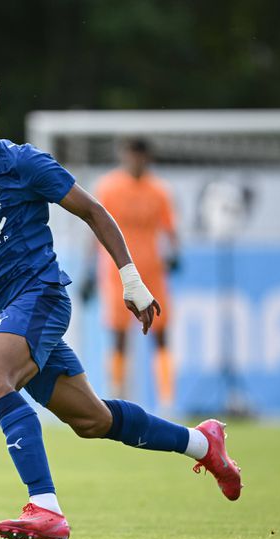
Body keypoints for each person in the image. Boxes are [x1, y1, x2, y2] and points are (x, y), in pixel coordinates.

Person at [0, 61, 241, 539]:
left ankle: (45, 507)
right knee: (91, 420)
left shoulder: (20, 163)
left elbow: (93, 210)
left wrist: (131, 278)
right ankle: (204, 443)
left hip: (39, 296)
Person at [91, 138, 180, 411]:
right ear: (124, 156)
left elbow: (170, 228)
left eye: (141, 156)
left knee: (161, 334)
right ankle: (116, 394)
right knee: (118, 335)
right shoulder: (108, 187)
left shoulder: (159, 191)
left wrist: (175, 253)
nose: (136, 161)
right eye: (132, 155)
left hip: (152, 272)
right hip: (116, 273)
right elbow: (94, 226)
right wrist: (87, 268)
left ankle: (167, 400)